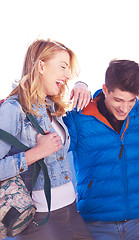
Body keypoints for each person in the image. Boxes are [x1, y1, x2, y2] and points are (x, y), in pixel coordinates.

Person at [0, 39, 92, 239]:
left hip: (71, 210)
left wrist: (82, 85)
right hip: (40, 220)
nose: (67, 75)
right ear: (41, 66)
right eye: (63, 67)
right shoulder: (13, 108)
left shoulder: (52, 107)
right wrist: (35, 154)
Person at [63, 59, 139, 240]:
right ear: (105, 89)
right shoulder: (79, 117)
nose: (124, 108)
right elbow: (44, 129)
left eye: (131, 100)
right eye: (118, 100)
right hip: (96, 225)